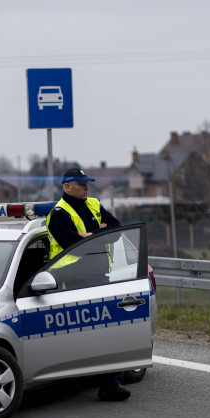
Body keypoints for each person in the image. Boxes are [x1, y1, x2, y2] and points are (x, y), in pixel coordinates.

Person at [45, 167, 131, 402]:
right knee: (90, 332)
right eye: (81, 183)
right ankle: (102, 382)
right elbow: (75, 245)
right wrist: (98, 232)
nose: (87, 187)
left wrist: (91, 234)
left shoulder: (94, 204)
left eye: (87, 183)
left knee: (108, 330)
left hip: (99, 277)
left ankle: (111, 383)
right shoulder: (59, 213)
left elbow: (116, 229)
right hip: (71, 281)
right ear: (67, 187)